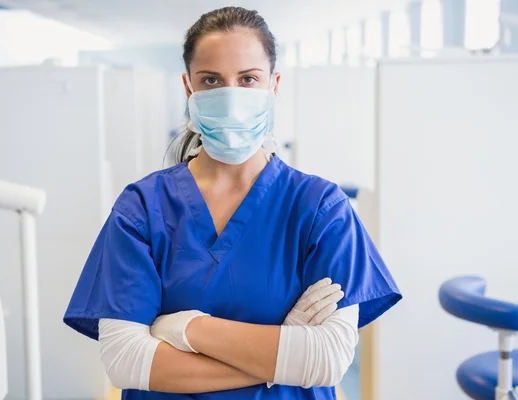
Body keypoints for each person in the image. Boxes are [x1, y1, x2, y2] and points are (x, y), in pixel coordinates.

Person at [63, 6, 401, 399]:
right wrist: (285, 352)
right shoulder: (142, 208)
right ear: (189, 90)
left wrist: (186, 329)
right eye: (211, 81)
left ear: (273, 87)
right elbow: (126, 361)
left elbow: (327, 359)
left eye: (248, 79)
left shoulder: (321, 209)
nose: (231, 96)